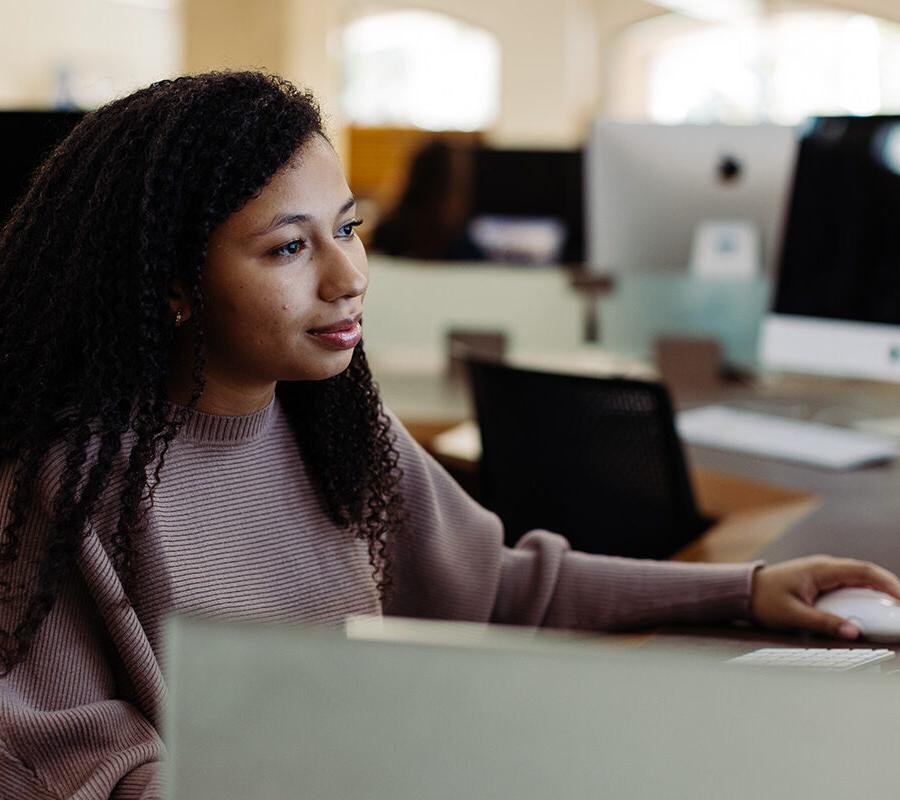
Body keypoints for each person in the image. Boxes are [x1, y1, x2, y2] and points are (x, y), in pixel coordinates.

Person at [0, 71, 897, 799]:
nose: (349, 274)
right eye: (288, 248)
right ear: (171, 285)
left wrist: (743, 589)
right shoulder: (65, 483)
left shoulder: (335, 425)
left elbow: (502, 589)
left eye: (349, 228)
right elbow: (85, 774)